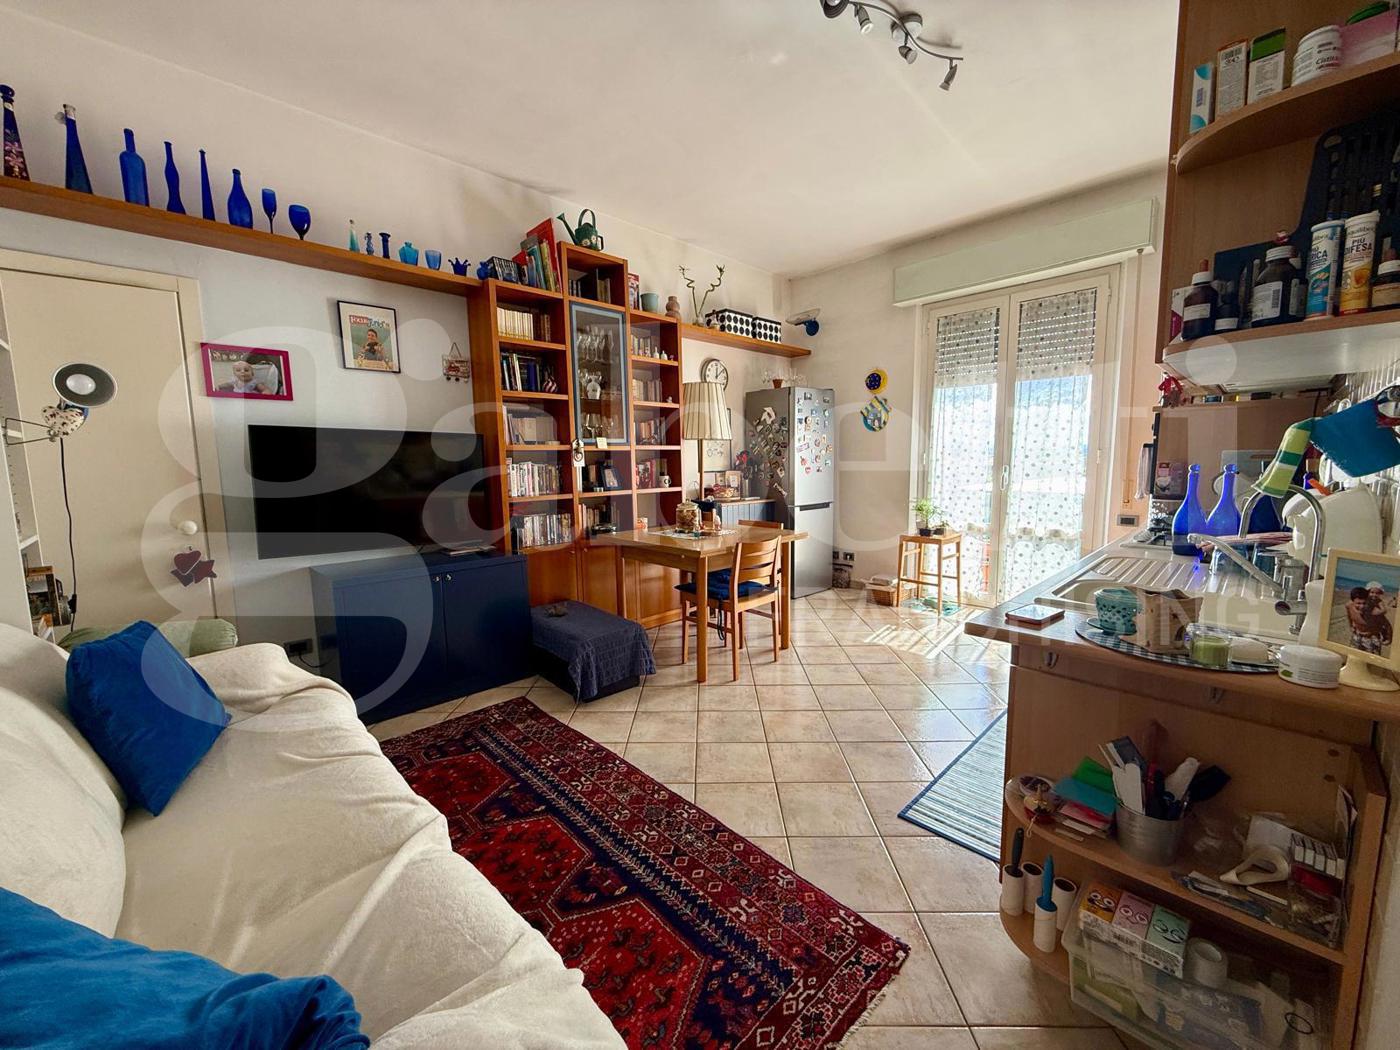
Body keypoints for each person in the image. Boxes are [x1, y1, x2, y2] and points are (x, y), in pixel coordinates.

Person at [1347, 585, 1392, 655]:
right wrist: (1351, 626)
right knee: (1353, 656)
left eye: (1364, 603)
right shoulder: (1349, 606)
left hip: (1371, 638)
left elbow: (1387, 625)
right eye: (1358, 603)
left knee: (1372, 659)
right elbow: (1349, 616)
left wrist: (1389, 639)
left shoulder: (1375, 612)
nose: (1362, 606)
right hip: (1357, 635)